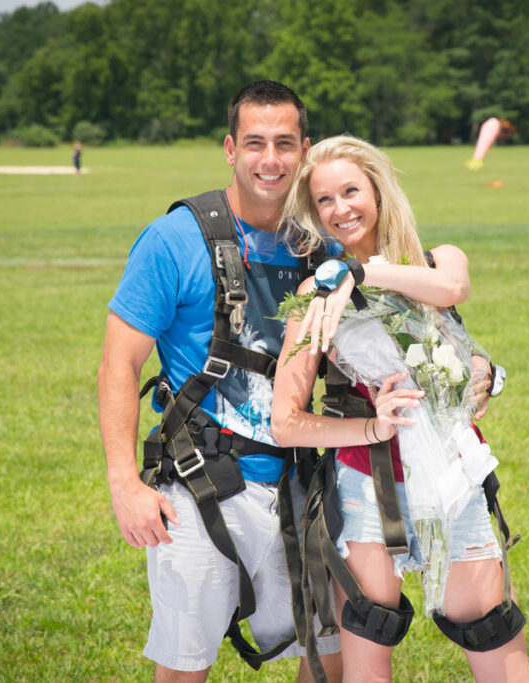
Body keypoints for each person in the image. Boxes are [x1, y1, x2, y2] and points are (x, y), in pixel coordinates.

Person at [97, 81, 341, 683]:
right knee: (184, 668)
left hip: (299, 489)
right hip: (199, 489)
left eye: (285, 144)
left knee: (330, 661)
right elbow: (117, 367)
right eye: (255, 143)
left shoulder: (323, 249)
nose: (270, 159)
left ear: (304, 151)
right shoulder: (173, 240)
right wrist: (125, 483)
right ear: (230, 148)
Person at [272, 135, 529, 681]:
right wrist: (372, 425)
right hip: (369, 492)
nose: (340, 209)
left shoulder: (439, 261)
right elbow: (285, 421)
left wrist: (360, 274)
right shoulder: (314, 297)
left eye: (350, 191)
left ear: (379, 191)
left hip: (453, 484)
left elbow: (451, 287)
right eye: (324, 200)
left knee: (497, 644)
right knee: (368, 651)